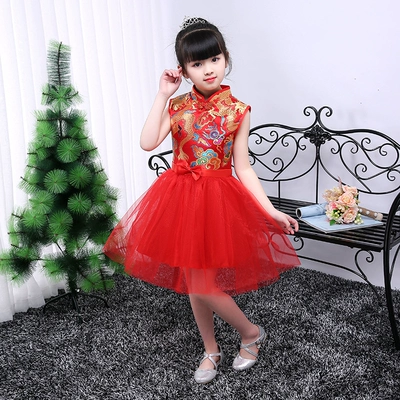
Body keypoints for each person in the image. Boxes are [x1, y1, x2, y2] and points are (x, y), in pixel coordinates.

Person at [104, 17, 300, 384]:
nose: (208, 69)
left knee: (201, 283)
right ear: (184, 69)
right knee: (195, 279)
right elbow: (147, 142)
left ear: (226, 58)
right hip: (180, 199)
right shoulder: (178, 106)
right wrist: (162, 95)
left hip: (218, 202)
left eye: (214, 59)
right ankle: (211, 348)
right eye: (197, 63)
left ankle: (251, 333)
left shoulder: (238, 111)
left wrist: (270, 210)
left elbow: (243, 168)